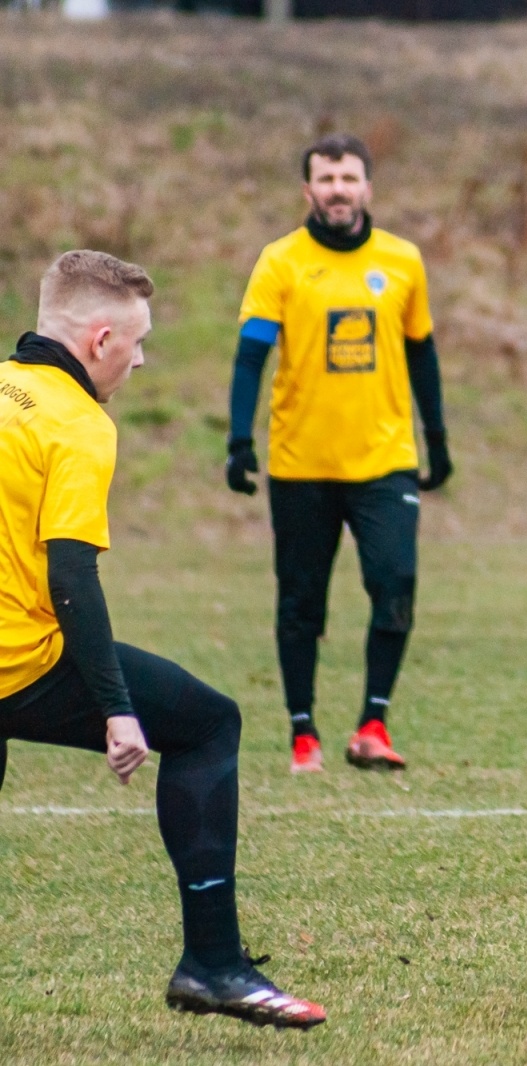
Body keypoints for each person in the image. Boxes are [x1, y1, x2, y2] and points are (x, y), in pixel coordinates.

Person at [0, 251, 324, 1028]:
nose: (141, 359)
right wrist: (116, 707)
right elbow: (71, 578)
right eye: (138, 343)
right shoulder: (78, 425)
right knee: (208, 723)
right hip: (19, 663)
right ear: (100, 339)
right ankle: (212, 965)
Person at [224, 133, 453, 774]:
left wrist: (437, 439)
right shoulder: (280, 263)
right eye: (325, 180)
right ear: (308, 191)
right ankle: (304, 735)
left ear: (367, 187)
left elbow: (422, 354)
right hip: (301, 465)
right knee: (301, 603)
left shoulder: (402, 261)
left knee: (395, 582)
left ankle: (373, 725)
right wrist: (240, 441)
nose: (337, 190)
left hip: (384, 461)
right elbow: (251, 357)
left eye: (348, 178)